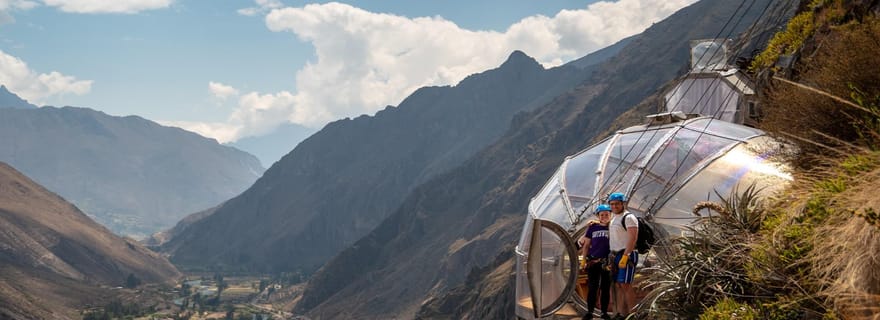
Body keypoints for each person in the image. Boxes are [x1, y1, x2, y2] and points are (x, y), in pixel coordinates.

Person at [578, 204, 612, 320]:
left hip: (607, 262)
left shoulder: (613, 227)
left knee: (605, 288)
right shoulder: (592, 227)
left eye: (606, 214)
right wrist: (583, 260)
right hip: (593, 261)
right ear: (598, 216)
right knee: (593, 287)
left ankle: (603, 312)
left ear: (610, 215)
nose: (604, 217)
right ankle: (590, 312)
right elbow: (586, 245)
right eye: (602, 215)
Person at [608, 192, 638, 320]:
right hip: (615, 255)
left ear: (623, 204)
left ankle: (633, 314)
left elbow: (633, 237)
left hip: (626, 254)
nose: (614, 206)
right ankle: (621, 313)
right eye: (612, 204)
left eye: (617, 204)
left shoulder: (629, 217)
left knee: (626, 285)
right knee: (618, 285)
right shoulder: (614, 217)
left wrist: (626, 255)